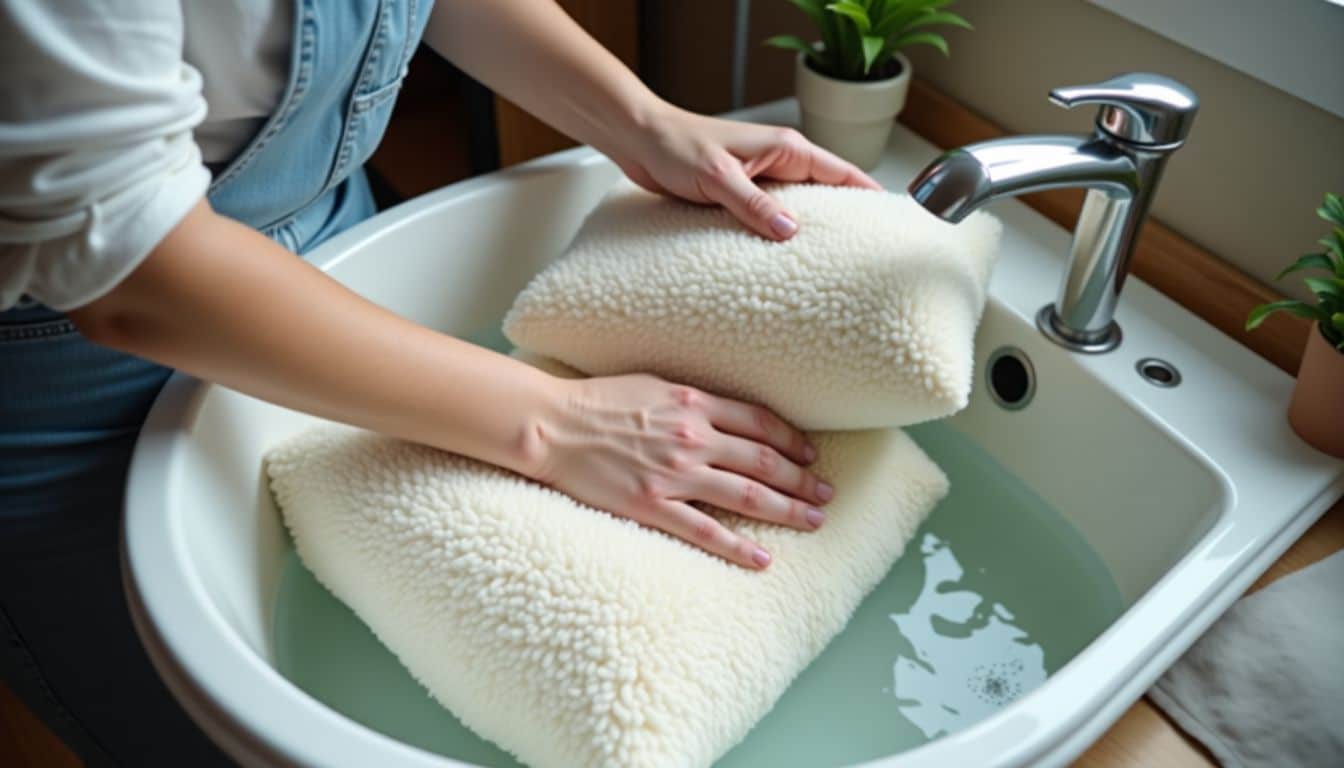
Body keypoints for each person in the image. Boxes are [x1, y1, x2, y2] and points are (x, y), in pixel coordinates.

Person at [0, 1, 881, 764]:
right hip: (71, 375)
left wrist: (644, 121)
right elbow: (130, 267)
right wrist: (557, 422)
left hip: (333, 240)